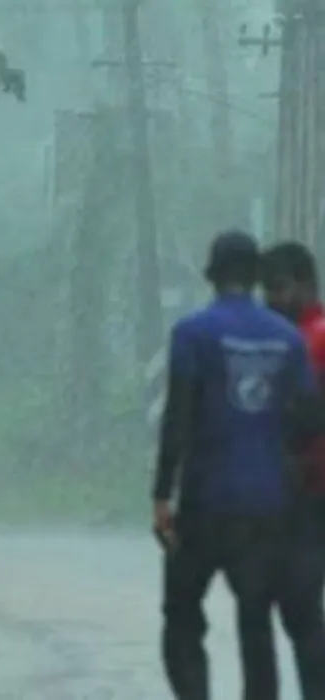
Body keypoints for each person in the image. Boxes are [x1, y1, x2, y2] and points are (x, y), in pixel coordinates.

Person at [153, 230, 319, 700]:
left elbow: (178, 418)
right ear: (256, 278)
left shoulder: (191, 333)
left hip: (205, 502)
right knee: (255, 619)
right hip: (267, 506)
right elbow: (308, 418)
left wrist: (162, 494)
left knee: (182, 613)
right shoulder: (288, 339)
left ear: (213, 277)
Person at [260, 240, 325, 698]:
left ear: (306, 284)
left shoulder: (313, 339)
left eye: (280, 288)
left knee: (300, 607)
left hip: (310, 488)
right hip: (297, 489)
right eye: (267, 289)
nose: (272, 300)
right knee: (299, 607)